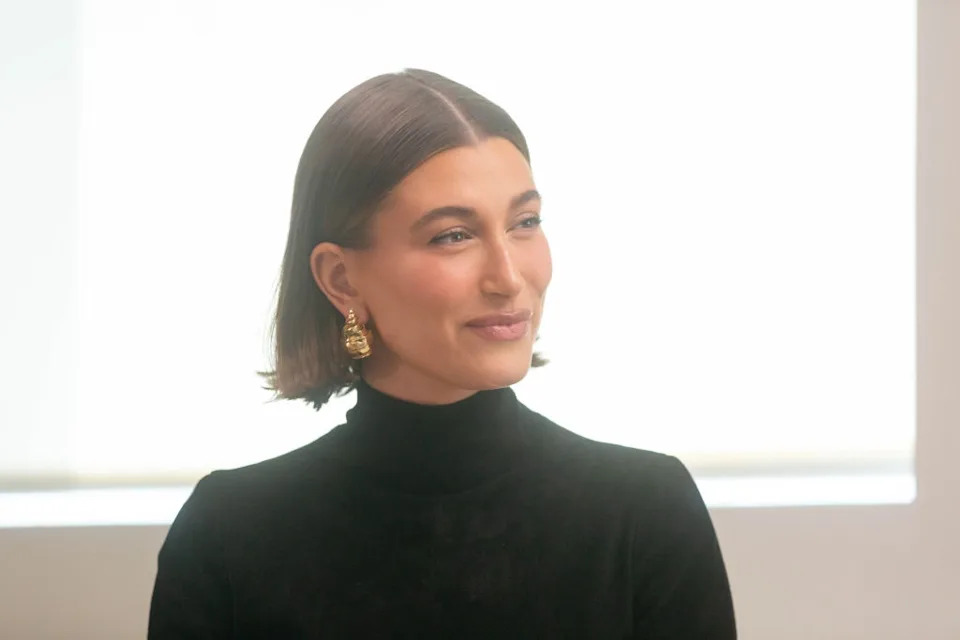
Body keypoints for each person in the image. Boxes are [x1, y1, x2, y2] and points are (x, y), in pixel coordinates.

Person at [148, 68, 737, 638]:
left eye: (525, 222)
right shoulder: (227, 535)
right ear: (341, 279)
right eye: (453, 235)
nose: (508, 277)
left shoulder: (644, 514)